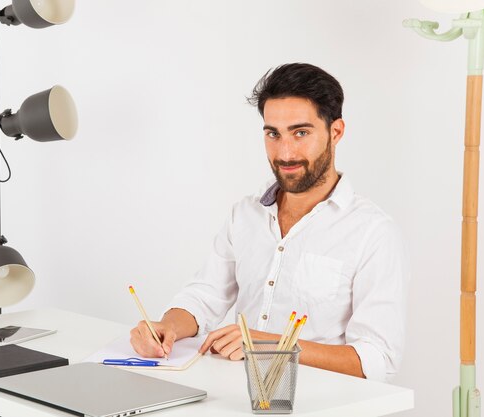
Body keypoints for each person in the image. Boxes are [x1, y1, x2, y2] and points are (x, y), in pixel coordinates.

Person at [129, 63, 409, 382]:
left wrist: (270, 345)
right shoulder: (245, 215)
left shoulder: (373, 233)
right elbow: (204, 296)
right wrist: (167, 328)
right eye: (273, 134)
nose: (285, 152)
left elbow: (377, 359)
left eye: (300, 133)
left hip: (322, 405)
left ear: (336, 132)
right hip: (239, 396)